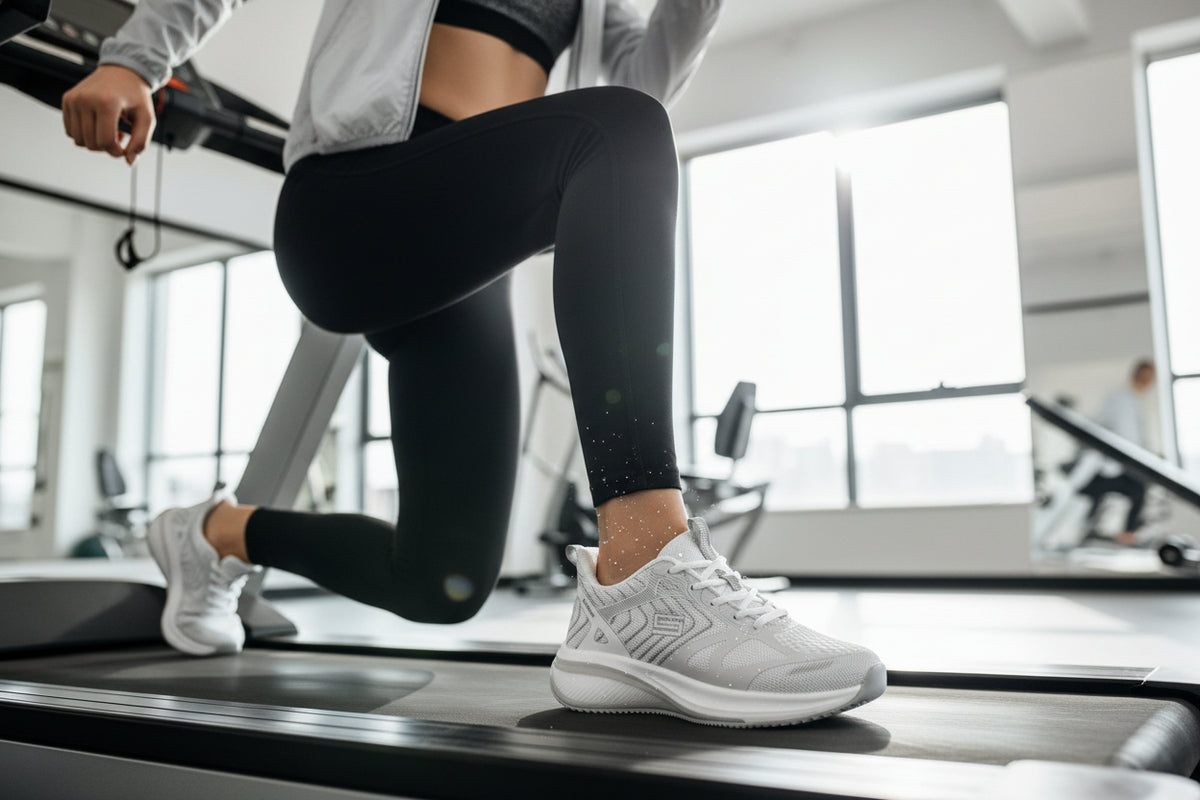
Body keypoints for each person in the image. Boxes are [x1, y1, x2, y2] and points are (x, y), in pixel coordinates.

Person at [61, 0, 884, 727]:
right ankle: (644, 571)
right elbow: (628, 126)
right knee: (617, 130)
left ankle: (214, 535)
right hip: (353, 198)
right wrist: (135, 59)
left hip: (465, 244)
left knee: (444, 578)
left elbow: (651, 73)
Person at [1081, 359, 1157, 546]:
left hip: (1118, 463)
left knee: (1137, 490)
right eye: (1149, 376)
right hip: (1111, 465)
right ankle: (1125, 534)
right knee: (1138, 489)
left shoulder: (1131, 400)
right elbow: (1128, 438)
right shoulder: (1123, 400)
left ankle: (1123, 532)